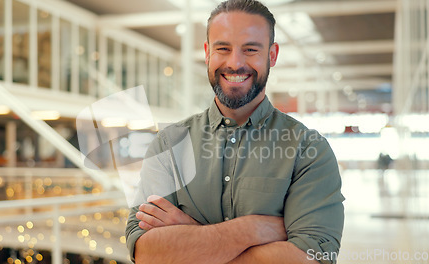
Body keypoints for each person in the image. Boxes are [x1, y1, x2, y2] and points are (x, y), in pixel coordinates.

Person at [125, 0, 345, 263]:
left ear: (272, 55)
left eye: (250, 49)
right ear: (207, 53)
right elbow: (147, 253)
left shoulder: (308, 150)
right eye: (223, 48)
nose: (235, 62)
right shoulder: (169, 145)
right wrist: (251, 229)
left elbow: (314, 258)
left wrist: (191, 236)